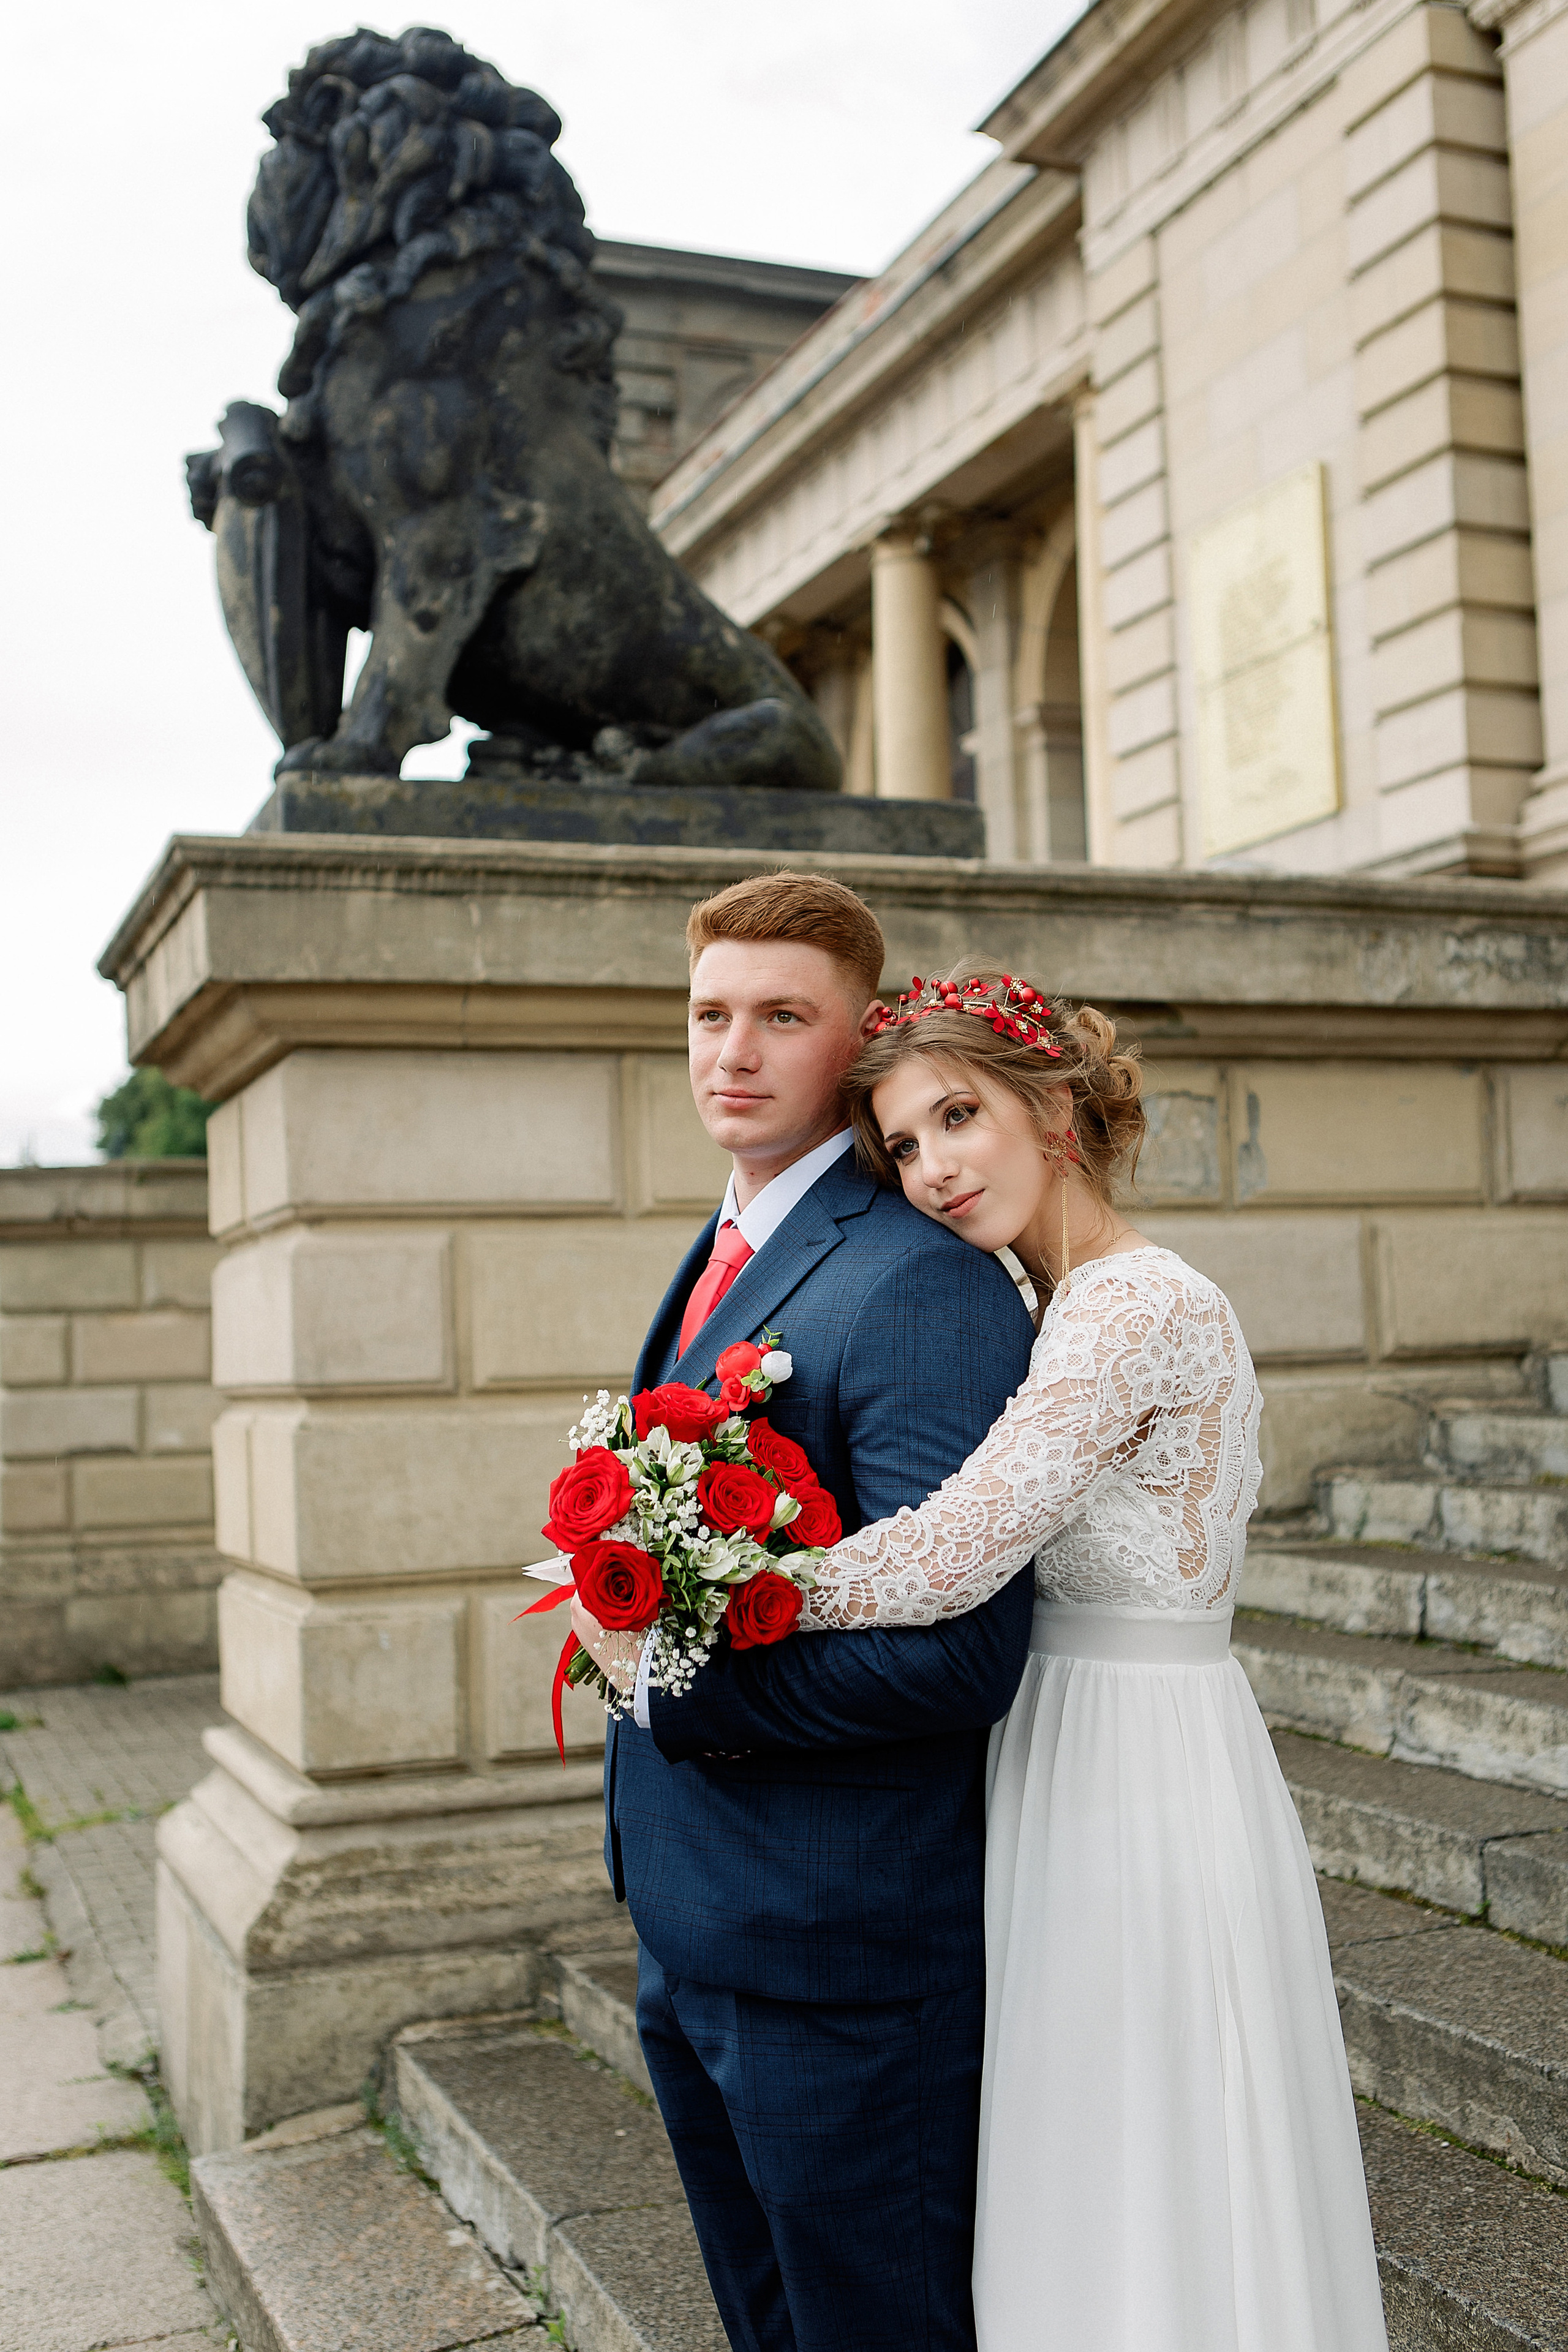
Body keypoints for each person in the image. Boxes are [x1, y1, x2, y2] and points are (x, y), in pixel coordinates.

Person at [580, 957, 1390, 2352]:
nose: (933, 1171)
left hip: (1134, 1774)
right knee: (1067, 2172)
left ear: (1049, 1107)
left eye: (958, 1118)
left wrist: (696, 1603)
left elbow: (947, 1554)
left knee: (1148, 2163)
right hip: (1053, 1768)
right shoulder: (1037, 1307)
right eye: (899, 1144)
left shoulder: (1133, 1309)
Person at [578, 875, 1038, 2352]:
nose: (733, 1051)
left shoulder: (914, 1284)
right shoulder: (726, 1243)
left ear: (852, 1051)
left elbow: (960, 1656)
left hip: (834, 1953)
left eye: (782, 1017)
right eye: (710, 1016)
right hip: (693, 1919)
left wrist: (665, 1688)